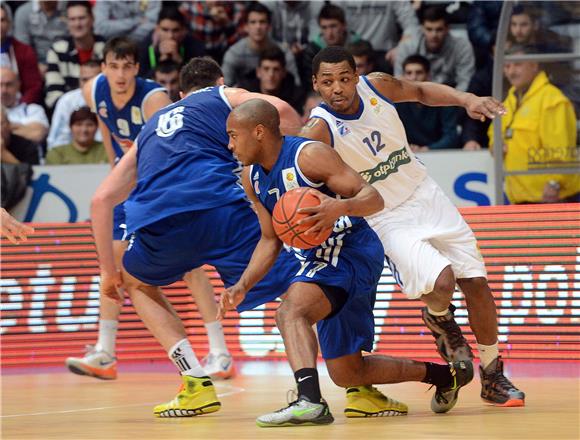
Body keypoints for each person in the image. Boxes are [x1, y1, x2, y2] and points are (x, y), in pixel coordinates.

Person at [221, 98, 474, 426]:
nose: (229, 145)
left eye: (232, 136)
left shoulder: (308, 155)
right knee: (347, 372)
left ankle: (309, 400)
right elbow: (271, 239)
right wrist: (242, 285)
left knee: (290, 311)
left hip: (352, 248)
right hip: (322, 257)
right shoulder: (251, 178)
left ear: (257, 132)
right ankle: (446, 376)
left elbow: (373, 197)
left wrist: (335, 209)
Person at [300, 46, 526, 407]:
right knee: (442, 283)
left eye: (344, 78)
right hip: (383, 215)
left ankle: (493, 375)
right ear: (316, 85)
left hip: (425, 193)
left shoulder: (378, 87)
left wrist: (466, 99)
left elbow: (421, 92)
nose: (338, 88)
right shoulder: (318, 131)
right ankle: (439, 316)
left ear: (356, 77)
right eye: (328, 82)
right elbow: (298, 175)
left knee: (477, 284)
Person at [90, 56, 303, 417]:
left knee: (137, 283)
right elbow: (280, 109)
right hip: (221, 209)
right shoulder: (221, 96)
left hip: (160, 223)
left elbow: (101, 200)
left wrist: (109, 273)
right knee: (297, 289)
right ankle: (343, 380)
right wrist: (288, 163)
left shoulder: (151, 126)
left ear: (179, 94)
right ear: (218, 82)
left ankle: (194, 382)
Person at [66, 38, 234, 382]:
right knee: (112, 265)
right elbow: (106, 128)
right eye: (114, 66)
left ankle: (220, 351)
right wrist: (116, 171)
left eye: (127, 66)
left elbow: (171, 145)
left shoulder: (153, 99)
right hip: (128, 186)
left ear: (137, 69)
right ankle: (105, 352)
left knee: (189, 268)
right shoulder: (92, 90)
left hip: (160, 185)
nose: (120, 74)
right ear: (103, 68)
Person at [488, 44, 579, 204]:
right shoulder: (509, 101)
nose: (511, 71)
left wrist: (554, 182)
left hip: (552, 197)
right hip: (520, 197)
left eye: (517, 65)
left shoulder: (552, 100)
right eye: (507, 66)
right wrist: (496, 145)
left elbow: (561, 148)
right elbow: (493, 133)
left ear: (534, 65)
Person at [395, 6, 475, 92]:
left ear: (447, 29)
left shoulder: (462, 47)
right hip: (414, 96)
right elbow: (398, 82)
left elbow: (465, 82)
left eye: (439, 29)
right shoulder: (407, 45)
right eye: (429, 29)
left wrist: (454, 102)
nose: (434, 35)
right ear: (422, 28)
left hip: (449, 96)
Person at [221, 1, 300, 87]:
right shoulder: (234, 54)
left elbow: (295, 86)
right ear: (246, 27)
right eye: (253, 22)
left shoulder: (284, 52)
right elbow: (224, 88)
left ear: (269, 26)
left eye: (262, 22)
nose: (258, 27)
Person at [44, 0, 105, 110]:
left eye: (82, 18)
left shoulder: (106, 49)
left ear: (92, 19)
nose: (77, 24)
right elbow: (53, 96)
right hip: (71, 117)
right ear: (67, 22)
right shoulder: (57, 51)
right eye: (72, 19)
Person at [395, 55, 459, 151]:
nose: (413, 77)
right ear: (403, 77)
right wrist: (406, 148)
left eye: (419, 72)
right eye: (409, 73)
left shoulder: (444, 99)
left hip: (440, 155)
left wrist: (428, 149)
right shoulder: (396, 102)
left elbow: (451, 136)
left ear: (428, 76)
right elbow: (391, 135)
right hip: (407, 155)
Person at [301, 3, 360, 88]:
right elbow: (310, 84)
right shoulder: (312, 50)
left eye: (333, 26)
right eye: (324, 27)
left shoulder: (359, 46)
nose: (329, 33)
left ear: (344, 25)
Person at [47, 60, 102, 149]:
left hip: (104, 156)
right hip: (72, 158)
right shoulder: (67, 101)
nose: (88, 84)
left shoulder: (113, 99)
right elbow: (57, 139)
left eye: (93, 80)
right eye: (84, 80)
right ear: (79, 80)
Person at [137, 6, 205, 78]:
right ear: (157, 29)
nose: (170, 36)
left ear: (183, 30)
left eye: (175, 30)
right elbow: (140, 81)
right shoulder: (144, 47)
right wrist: (160, 64)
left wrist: (180, 62)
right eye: (165, 30)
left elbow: (199, 80)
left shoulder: (194, 45)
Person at [238, 46, 304, 113]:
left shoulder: (296, 95)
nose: (271, 75)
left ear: (283, 73)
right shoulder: (245, 92)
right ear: (258, 72)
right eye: (266, 69)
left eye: (276, 69)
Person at [0, 3, 43, 104]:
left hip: (19, 108)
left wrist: (20, 107)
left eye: (2, 20)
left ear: (9, 24)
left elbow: (33, 87)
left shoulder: (24, 51)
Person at [13, 0, 68, 73]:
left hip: (66, 62)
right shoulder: (23, 12)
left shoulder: (69, 7)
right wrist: (35, 65)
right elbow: (22, 47)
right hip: (36, 65)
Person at [0, 67, 49, 145]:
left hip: (28, 155)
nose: (4, 90)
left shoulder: (33, 110)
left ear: (18, 85)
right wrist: (21, 128)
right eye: (0, 85)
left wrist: (5, 129)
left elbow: (37, 134)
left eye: (9, 85)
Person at [93, 0, 160, 43]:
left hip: (144, 46)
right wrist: (136, 21)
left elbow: (151, 28)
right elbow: (100, 28)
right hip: (111, 46)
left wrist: (116, 32)